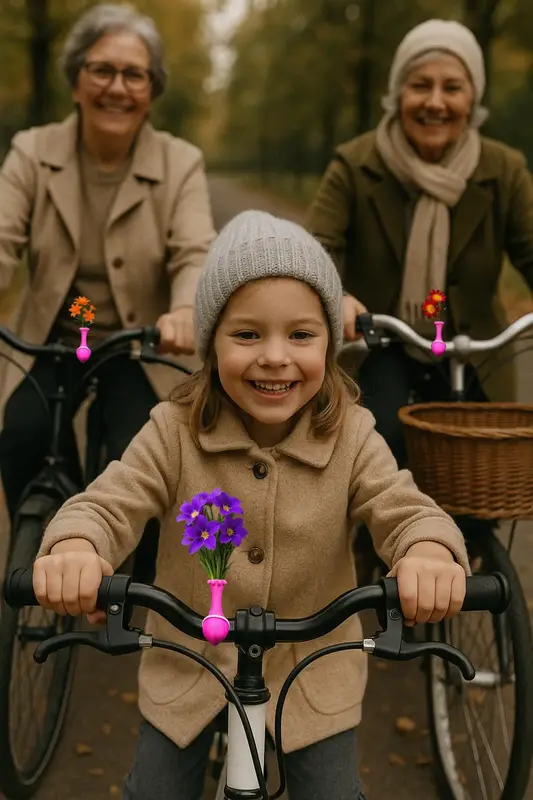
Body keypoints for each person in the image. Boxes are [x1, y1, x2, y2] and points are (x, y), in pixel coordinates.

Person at [33, 211, 470, 800]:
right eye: (246, 335)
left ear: (330, 344)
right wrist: (76, 546)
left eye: (300, 335)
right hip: (188, 663)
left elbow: (404, 507)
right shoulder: (173, 431)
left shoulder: (353, 436)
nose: (274, 357)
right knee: (154, 790)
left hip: (313, 669)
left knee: (335, 793)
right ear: (210, 344)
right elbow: (110, 501)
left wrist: (428, 552)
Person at [307, 19, 533, 578]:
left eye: (451, 87)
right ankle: (375, 543)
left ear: (472, 98)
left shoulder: (503, 170)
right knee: (374, 441)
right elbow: (315, 250)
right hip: (385, 344)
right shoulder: (356, 165)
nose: (435, 102)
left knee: (485, 470)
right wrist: (335, 295)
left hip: (475, 351)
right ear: (397, 94)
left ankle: (471, 559)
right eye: (419, 85)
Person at [0, 4, 215, 574]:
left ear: (151, 90)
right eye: (101, 70)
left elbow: (194, 250)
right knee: (20, 430)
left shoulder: (181, 163)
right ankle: (46, 553)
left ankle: (124, 574)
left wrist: (184, 309)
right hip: (48, 338)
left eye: (133, 74)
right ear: (76, 80)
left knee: (140, 449)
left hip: (137, 342)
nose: (116, 87)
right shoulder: (32, 151)